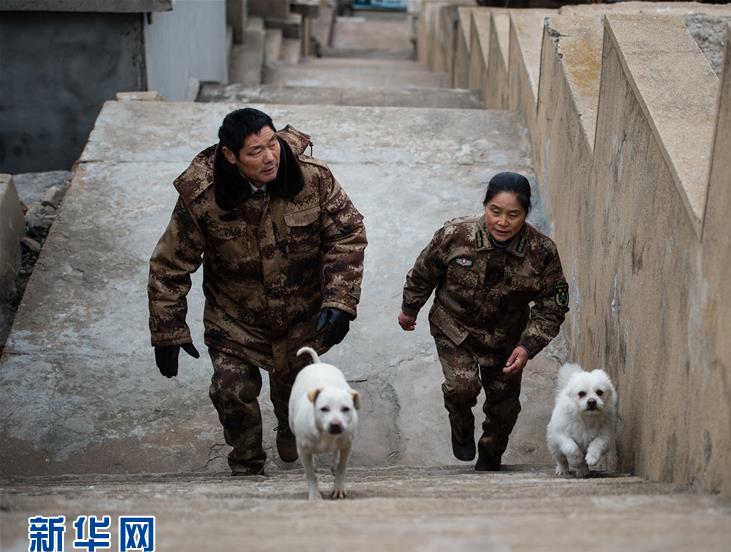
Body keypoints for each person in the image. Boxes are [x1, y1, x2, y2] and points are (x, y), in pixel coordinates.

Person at [148, 108, 366, 476]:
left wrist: (341, 300)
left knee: (292, 392)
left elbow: (346, 235)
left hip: (300, 316)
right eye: (255, 151)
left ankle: (288, 426)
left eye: (273, 145)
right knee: (230, 392)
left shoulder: (313, 178)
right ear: (231, 156)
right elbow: (170, 265)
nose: (269, 158)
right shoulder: (202, 195)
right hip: (235, 319)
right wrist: (167, 331)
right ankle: (246, 464)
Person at [398, 172, 568, 471]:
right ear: (485, 206)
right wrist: (409, 308)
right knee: (461, 388)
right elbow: (424, 272)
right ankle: (461, 426)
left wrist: (528, 346)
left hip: (506, 340)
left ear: (526, 214)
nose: (502, 222)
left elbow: (552, 306)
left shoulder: (542, 252)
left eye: (513, 215)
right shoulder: (455, 235)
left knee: (503, 410)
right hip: (455, 328)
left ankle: (489, 459)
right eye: (495, 211)